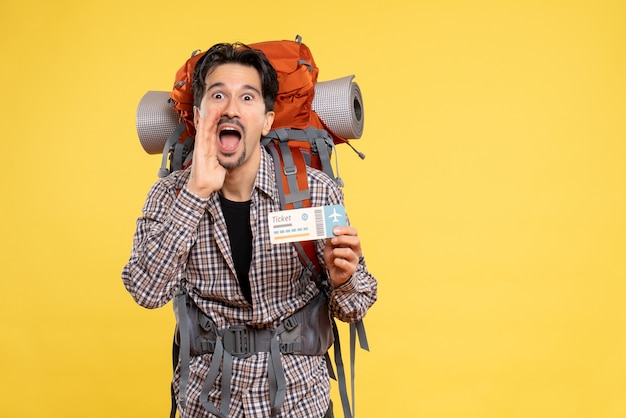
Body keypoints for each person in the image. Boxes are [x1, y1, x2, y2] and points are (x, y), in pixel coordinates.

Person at [121, 42, 378, 418]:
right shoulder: (170, 194)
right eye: (218, 95)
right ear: (200, 113)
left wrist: (343, 280)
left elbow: (356, 306)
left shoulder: (312, 191)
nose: (231, 108)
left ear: (267, 119)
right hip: (206, 405)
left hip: (298, 403)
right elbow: (145, 291)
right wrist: (195, 192)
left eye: (247, 97)